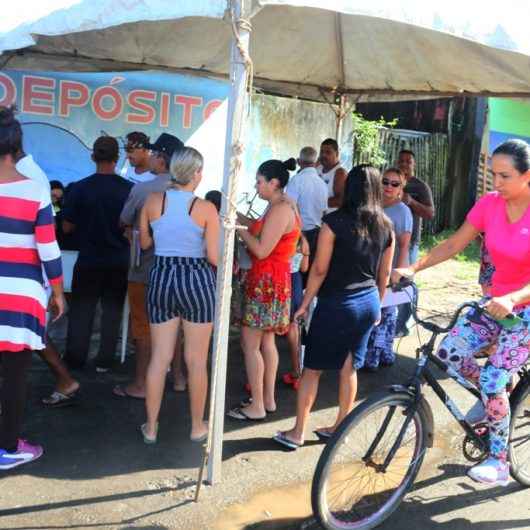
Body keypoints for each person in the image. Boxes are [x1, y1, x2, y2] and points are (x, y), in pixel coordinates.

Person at [392, 139, 530, 486]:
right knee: (448, 352)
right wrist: (415, 267)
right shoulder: (490, 204)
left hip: (525, 310)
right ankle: (494, 398)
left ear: (527, 176)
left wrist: (514, 298)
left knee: (492, 378)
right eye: (492, 174)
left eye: (505, 176)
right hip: (495, 304)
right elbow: (455, 243)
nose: (496, 183)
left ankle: (499, 461)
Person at [273, 165, 394, 449]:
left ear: (348, 188)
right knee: (349, 368)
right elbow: (384, 274)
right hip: (368, 303)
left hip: (337, 304)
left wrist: (303, 304)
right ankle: (340, 427)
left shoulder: (334, 222)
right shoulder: (386, 226)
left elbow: (318, 270)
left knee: (312, 370)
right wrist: (378, 303)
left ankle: (297, 432)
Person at [0, 106, 65, 470]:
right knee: (14, 375)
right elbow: (48, 248)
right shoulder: (35, 189)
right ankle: (7, 448)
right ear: (16, 145)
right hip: (20, 298)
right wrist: (57, 293)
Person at [139, 146, 219, 443]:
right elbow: (213, 257)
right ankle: (197, 427)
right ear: (196, 173)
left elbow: (145, 242)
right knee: (196, 359)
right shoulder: (206, 208)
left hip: (160, 276)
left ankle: (150, 427)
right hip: (196, 279)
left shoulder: (152, 201)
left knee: (159, 358)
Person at [227, 158, 300, 421]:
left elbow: (260, 249)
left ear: (274, 183)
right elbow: (260, 232)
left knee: (250, 345)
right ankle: (266, 399)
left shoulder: (280, 209)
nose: (256, 186)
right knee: (266, 342)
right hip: (271, 280)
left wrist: (237, 226)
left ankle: (257, 404)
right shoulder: (277, 206)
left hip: (266, 282)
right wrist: (238, 216)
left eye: (259, 181)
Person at [116, 133, 184, 399]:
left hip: (144, 268)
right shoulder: (188, 191)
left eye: (155, 154)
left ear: (161, 158)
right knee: (175, 325)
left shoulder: (145, 190)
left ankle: (141, 384)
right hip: (177, 270)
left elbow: (124, 221)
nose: (151, 158)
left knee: (143, 328)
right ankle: (178, 378)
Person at [63, 136, 133, 372]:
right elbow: (132, 227)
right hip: (118, 260)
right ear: (117, 158)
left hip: (89, 258)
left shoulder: (80, 188)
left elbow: (67, 227)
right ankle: (105, 360)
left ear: (93, 156)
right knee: (112, 311)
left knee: (82, 310)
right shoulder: (128, 190)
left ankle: (75, 358)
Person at [364, 168, 412, 371]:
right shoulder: (373, 205)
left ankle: (377, 357)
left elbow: (404, 245)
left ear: (401, 188)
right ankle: (375, 355)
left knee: (385, 314)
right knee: (375, 312)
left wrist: (398, 274)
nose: (388, 187)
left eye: (395, 184)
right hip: (372, 267)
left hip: (391, 269)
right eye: (385, 182)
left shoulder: (402, 211)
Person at [395, 149, 434, 336]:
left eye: (408, 161)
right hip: (388, 241)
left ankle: (402, 325)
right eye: (401, 160)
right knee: (388, 280)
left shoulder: (420, 187)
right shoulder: (390, 180)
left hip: (410, 243)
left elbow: (430, 213)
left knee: (405, 282)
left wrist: (410, 201)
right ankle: (386, 322)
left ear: (414, 165)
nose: (404, 164)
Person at [286, 147, 328, 266]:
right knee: (308, 270)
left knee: (295, 270)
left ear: (299, 162)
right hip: (316, 233)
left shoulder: (296, 181)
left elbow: (289, 208)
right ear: (316, 163)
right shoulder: (322, 184)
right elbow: (324, 213)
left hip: (298, 234)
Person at [282, 234, 310, 389]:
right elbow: (304, 268)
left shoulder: (280, 234)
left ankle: (259, 378)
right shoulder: (302, 240)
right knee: (294, 325)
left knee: (267, 333)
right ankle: (297, 373)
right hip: (296, 282)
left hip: (279, 278)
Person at [317, 138, 348, 213]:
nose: (323, 155)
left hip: (330, 221)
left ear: (337, 154)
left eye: (328, 152)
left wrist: (316, 202)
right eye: (321, 152)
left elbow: (341, 200)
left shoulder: (340, 173)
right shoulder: (317, 168)